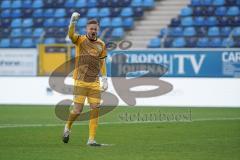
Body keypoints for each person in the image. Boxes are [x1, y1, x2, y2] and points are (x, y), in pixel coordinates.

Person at [62, 12, 108, 146]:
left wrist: (104, 78)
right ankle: (67, 127)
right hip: (80, 80)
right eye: (91, 29)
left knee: (95, 109)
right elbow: (71, 35)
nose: (93, 31)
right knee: (77, 110)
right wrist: (73, 22)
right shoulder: (80, 40)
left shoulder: (101, 44)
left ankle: (91, 139)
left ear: (97, 30)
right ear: (87, 29)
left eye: (95, 29)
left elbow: (102, 62)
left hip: (94, 82)